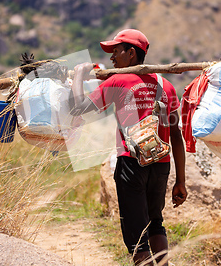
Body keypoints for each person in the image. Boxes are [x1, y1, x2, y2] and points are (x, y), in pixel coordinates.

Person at [70, 29, 187, 266]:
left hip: (131, 164)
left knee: (137, 238)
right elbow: (176, 134)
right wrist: (180, 180)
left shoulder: (118, 81)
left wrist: (78, 76)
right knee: (155, 222)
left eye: (116, 52)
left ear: (131, 54)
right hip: (161, 166)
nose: (112, 58)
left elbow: (78, 108)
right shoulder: (166, 85)